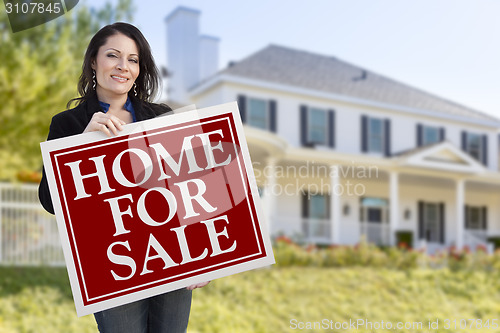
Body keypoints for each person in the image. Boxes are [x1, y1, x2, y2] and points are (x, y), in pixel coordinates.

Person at [38, 22, 208, 333]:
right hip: (111, 262)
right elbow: (50, 201)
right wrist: (81, 144)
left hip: (170, 253)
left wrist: (199, 258)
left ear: (140, 68)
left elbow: (184, 190)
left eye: (132, 59)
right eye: (113, 55)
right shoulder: (68, 123)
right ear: (94, 61)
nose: (122, 66)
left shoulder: (160, 116)